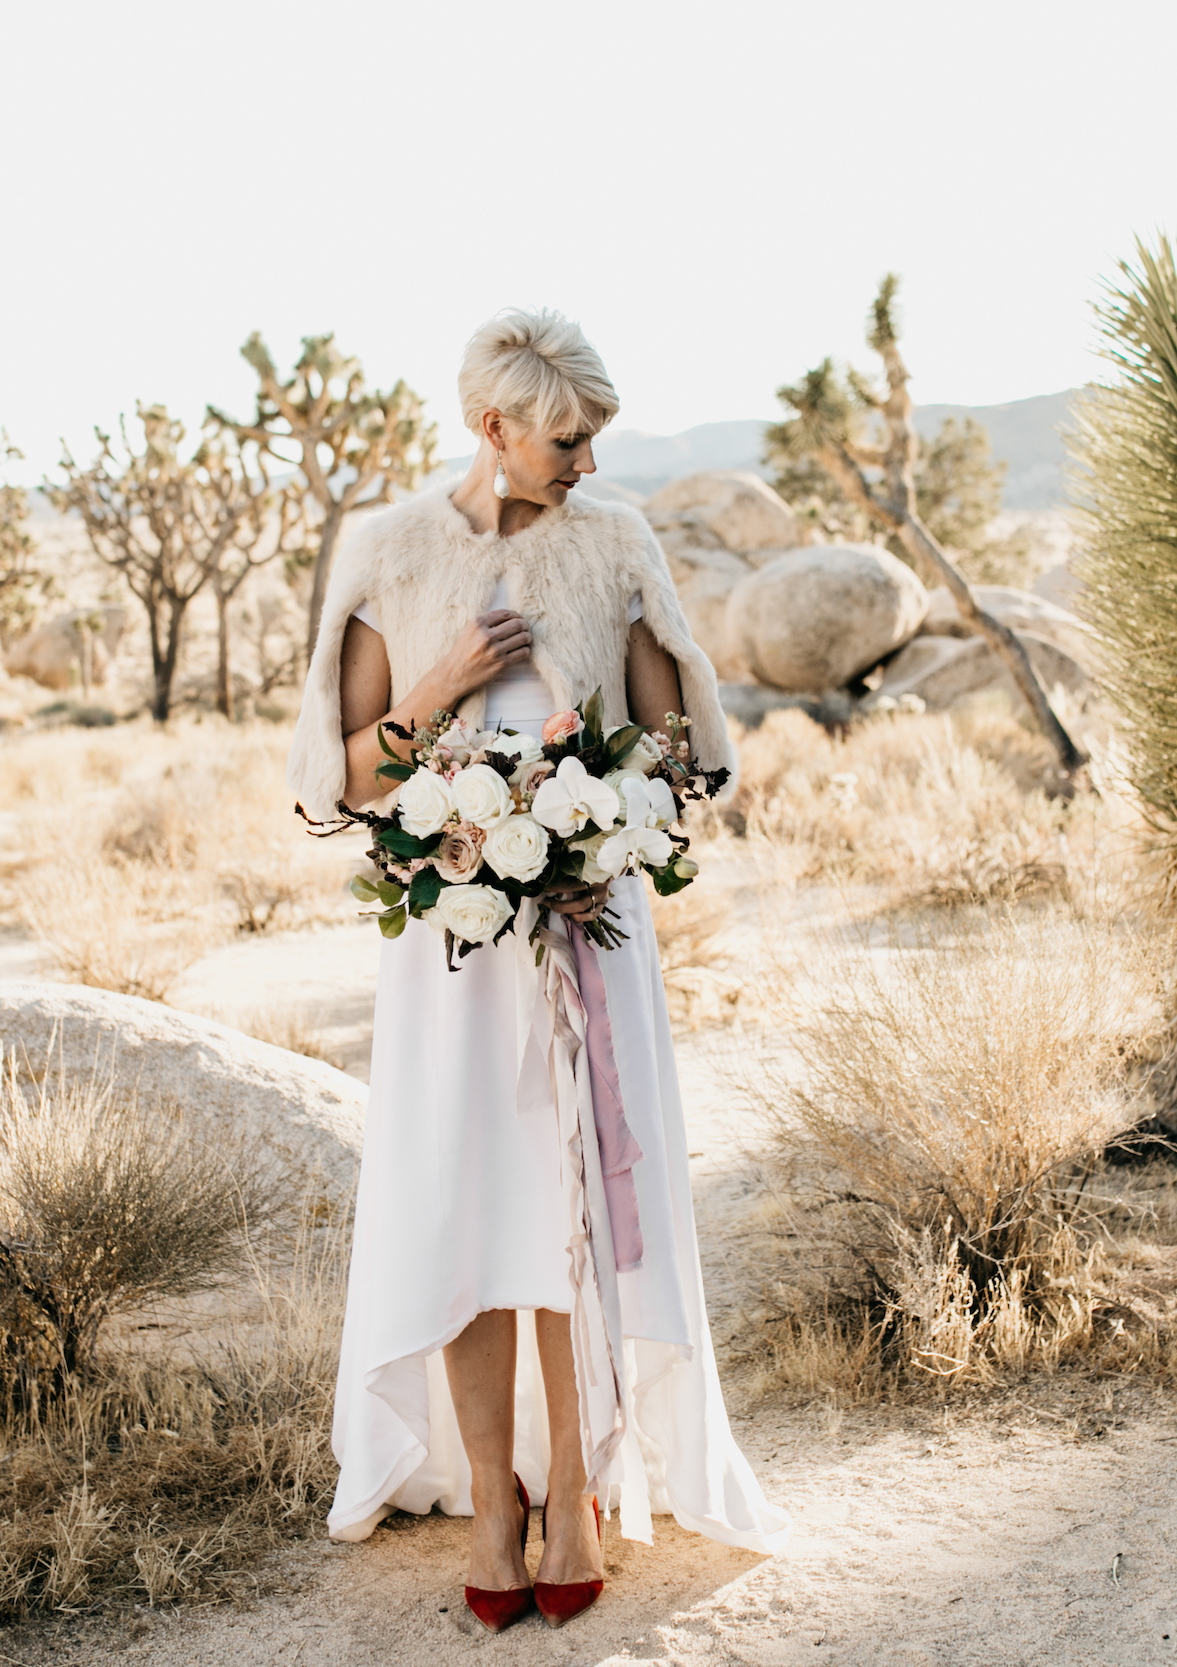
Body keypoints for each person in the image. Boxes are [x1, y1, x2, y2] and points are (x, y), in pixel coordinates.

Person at [287, 308, 788, 1632]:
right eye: (568, 440)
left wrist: (631, 775)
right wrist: (444, 681)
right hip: (450, 945)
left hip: (588, 931)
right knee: (463, 1204)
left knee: (573, 1201)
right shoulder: (388, 553)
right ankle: (495, 1508)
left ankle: (576, 1488)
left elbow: (678, 734)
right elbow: (334, 776)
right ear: (490, 427)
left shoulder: (613, 544)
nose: (586, 464)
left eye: (597, 439)